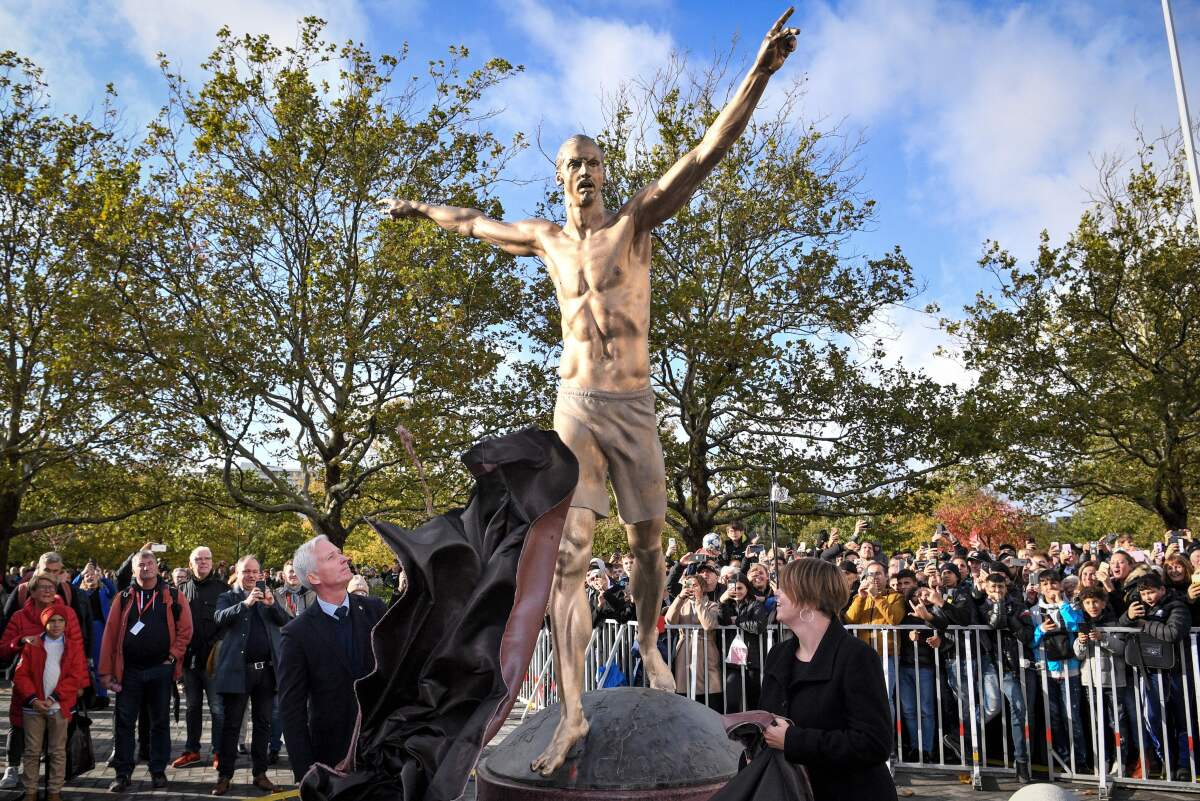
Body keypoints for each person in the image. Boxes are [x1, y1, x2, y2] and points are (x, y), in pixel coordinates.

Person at [380, 8, 801, 775]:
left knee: (647, 543)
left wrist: (760, 74)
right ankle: (572, 710)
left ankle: (646, 639)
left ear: (605, 173)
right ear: (560, 176)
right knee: (570, 555)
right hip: (574, 404)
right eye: (571, 162)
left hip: (633, 406)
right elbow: (473, 222)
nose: (581, 172)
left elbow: (706, 152)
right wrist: (419, 210)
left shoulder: (636, 222)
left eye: (592, 161)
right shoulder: (544, 238)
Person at [756, 558, 896, 800]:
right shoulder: (778, 655)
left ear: (809, 597)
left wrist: (794, 740)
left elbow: (873, 743)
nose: (776, 593)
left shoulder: (856, 657)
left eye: (785, 587)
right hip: (792, 790)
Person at [278, 535, 386, 783]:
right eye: (332, 556)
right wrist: (308, 773)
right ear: (314, 577)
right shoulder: (296, 634)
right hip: (332, 760)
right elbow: (291, 710)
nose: (344, 558)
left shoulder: (376, 610)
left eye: (340, 553)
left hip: (384, 752)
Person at [98, 550, 193, 794]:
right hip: (129, 671)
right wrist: (105, 672)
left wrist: (172, 656)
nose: (146, 568)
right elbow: (109, 635)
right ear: (133, 569)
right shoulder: (124, 596)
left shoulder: (172, 595)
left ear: (157, 567)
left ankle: (158, 771)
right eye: (141, 564)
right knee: (124, 723)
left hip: (160, 670)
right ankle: (122, 773)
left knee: (160, 723)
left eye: (150, 564)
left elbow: (186, 630)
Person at [209, 555, 290, 796]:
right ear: (238, 571)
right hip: (237, 672)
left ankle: (260, 774)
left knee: (263, 724)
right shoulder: (229, 596)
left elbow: (286, 621)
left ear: (261, 574)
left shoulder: (268, 596)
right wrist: (245, 604)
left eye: (255, 572)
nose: (251, 576)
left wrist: (271, 605)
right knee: (231, 725)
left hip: (266, 672)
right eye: (247, 571)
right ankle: (224, 775)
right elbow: (219, 618)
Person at [0, 575, 86, 792]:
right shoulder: (20, 616)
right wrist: (20, 641)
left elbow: (77, 647)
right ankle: (16, 772)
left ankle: (53, 786)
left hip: (59, 690)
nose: (47, 591)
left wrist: (81, 684)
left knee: (57, 743)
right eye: (42, 587)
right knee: (22, 732)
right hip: (28, 686)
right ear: (32, 591)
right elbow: (3, 648)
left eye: (51, 587)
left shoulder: (66, 613)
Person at [1120, 572, 1190, 781]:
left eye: (1151, 592)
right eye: (1144, 593)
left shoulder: (1177, 605)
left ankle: (1184, 764)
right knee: (1152, 718)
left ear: (1162, 589)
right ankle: (1166, 760)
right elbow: (1122, 630)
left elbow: (1173, 633)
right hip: (1148, 672)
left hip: (1177, 672)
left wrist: (1142, 624)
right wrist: (1129, 617)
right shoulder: (1140, 608)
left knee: (1182, 720)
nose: (1148, 597)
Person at [173, 546, 227, 770]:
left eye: (207, 559)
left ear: (212, 562)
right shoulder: (179, 591)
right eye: (198, 559)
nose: (203, 562)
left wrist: (213, 644)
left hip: (213, 661)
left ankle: (219, 751)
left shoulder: (223, 590)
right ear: (190, 562)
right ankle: (192, 750)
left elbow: (228, 625)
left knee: (217, 708)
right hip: (188, 661)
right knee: (192, 708)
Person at [665, 573, 722, 711]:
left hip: (707, 650)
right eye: (687, 585)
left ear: (702, 588)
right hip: (685, 649)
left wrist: (698, 602)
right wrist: (679, 598)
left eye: (694, 585)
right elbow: (669, 621)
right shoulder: (681, 605)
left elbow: (708, 625)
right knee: (684, 687)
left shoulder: (712, 605)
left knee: (710, 688)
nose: (690, 588)